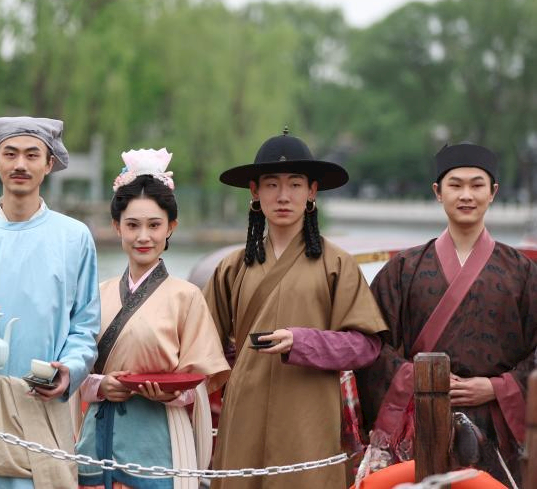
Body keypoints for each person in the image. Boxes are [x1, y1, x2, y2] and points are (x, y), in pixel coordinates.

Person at [203, 128, 387, 489]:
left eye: (295, 184)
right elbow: (203, 341)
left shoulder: (337, 263)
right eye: (271, 184)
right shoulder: (232, 266)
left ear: (312, 191)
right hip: (243, 413)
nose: (283, 196)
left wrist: (302, 341)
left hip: (310, 414)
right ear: (254, 192)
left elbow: (367, 345)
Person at [356, 143, 537, 486]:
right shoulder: (402, 270)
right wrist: (423, 383)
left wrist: (498, 387)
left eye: (476, 185)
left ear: (493, 192)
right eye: (455, 185)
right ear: (438, 193)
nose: (466, 195)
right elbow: (371, 346)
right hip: (419, 425)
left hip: (496, 430)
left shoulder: (523, 273)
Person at [0, 116, 101, 488]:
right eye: (10, 154)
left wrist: (69, 370)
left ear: (49, 163)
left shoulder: (74, 238)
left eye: (31, 154)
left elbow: (85, 326)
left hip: (42, 397)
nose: (20, 165)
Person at [75, 148, 230, 489]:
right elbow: (75, 370)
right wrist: (102, 385)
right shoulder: (96, 294)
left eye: (154, 225)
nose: (143, 236)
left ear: (171, 227)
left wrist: (170, 394)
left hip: (157, 441)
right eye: (132, 225)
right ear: (117, 227)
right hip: (94, 438)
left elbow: (200, 383)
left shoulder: (186, 296)